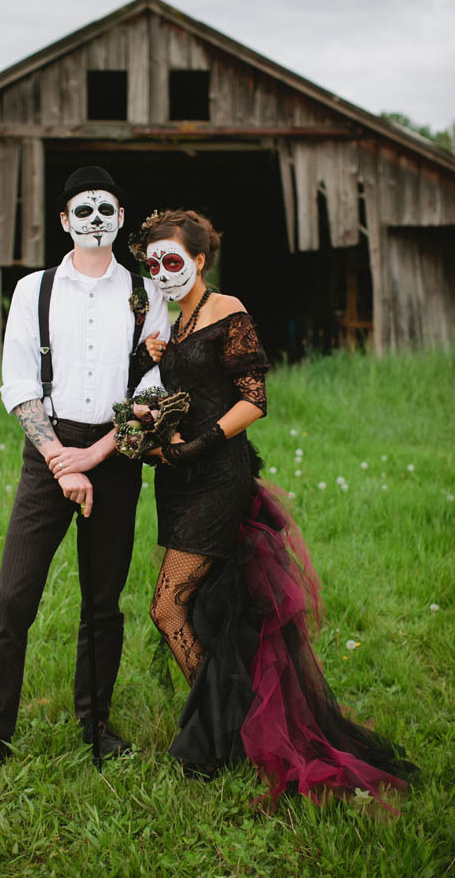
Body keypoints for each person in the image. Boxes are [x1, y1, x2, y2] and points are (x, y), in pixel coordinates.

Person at [124, 208, 417, 808]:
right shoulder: (169, 324)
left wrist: (198, 446)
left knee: (168, 605)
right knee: (211, 612)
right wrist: (150, 398)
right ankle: (233, 725)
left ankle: (218, 731)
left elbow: (254, 400)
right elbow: (166, 395)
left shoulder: (227, 312)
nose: (162, 272)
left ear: (200, 260)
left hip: (217, 479)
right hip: (178, 481)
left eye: (173, 261)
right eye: (152, 264)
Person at [0, 166, 170, 784]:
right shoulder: (32, 290)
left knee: (102, 605)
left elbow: (152, 390)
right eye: (83, 210)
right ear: (66, 221)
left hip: (115, 456)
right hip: (49, 455)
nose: (96, 218)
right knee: (13, 599)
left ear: (120, 219)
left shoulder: (146, 294)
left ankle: (95, 727)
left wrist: (94, 458)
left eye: (107, 208)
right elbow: (18, 383)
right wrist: (57, 460)